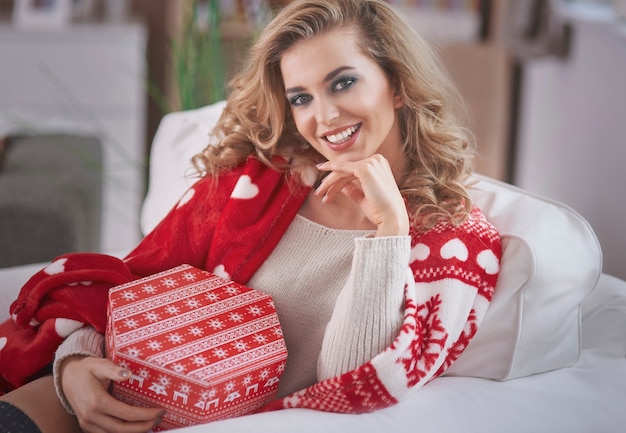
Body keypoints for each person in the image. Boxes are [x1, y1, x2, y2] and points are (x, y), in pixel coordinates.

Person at [0, 0, 501, 432]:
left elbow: (353, 389)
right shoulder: (259, 181)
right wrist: (75, 369)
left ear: (397, 85)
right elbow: (136, 285)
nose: (322, 117)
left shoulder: (453, 240)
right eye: (301, 97)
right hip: (111, 402)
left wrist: (388, 230)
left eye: (343, 83)